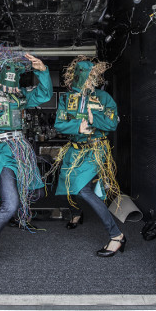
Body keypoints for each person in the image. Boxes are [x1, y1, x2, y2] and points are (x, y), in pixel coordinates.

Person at [0, 44, 53, 279]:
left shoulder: (21, 95)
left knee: (37, 194)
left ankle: (17, 215)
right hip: (2, 151)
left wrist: (42, 70)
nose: (12, 77)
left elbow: (44, 95)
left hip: (23, 150)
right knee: (10, 204)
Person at [46, 56, 125, 257]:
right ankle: (76, 213)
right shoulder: (67, 98)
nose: (90, 79)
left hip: (95, 149)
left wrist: (93, 118)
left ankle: (116, 236)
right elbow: (59, 124)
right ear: (76, 76)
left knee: (83, 190)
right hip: (74, 150)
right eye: (86, 75)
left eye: (93, 75)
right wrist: (77, 126)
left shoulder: (104, 98)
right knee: (68, 184)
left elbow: (113, 124)